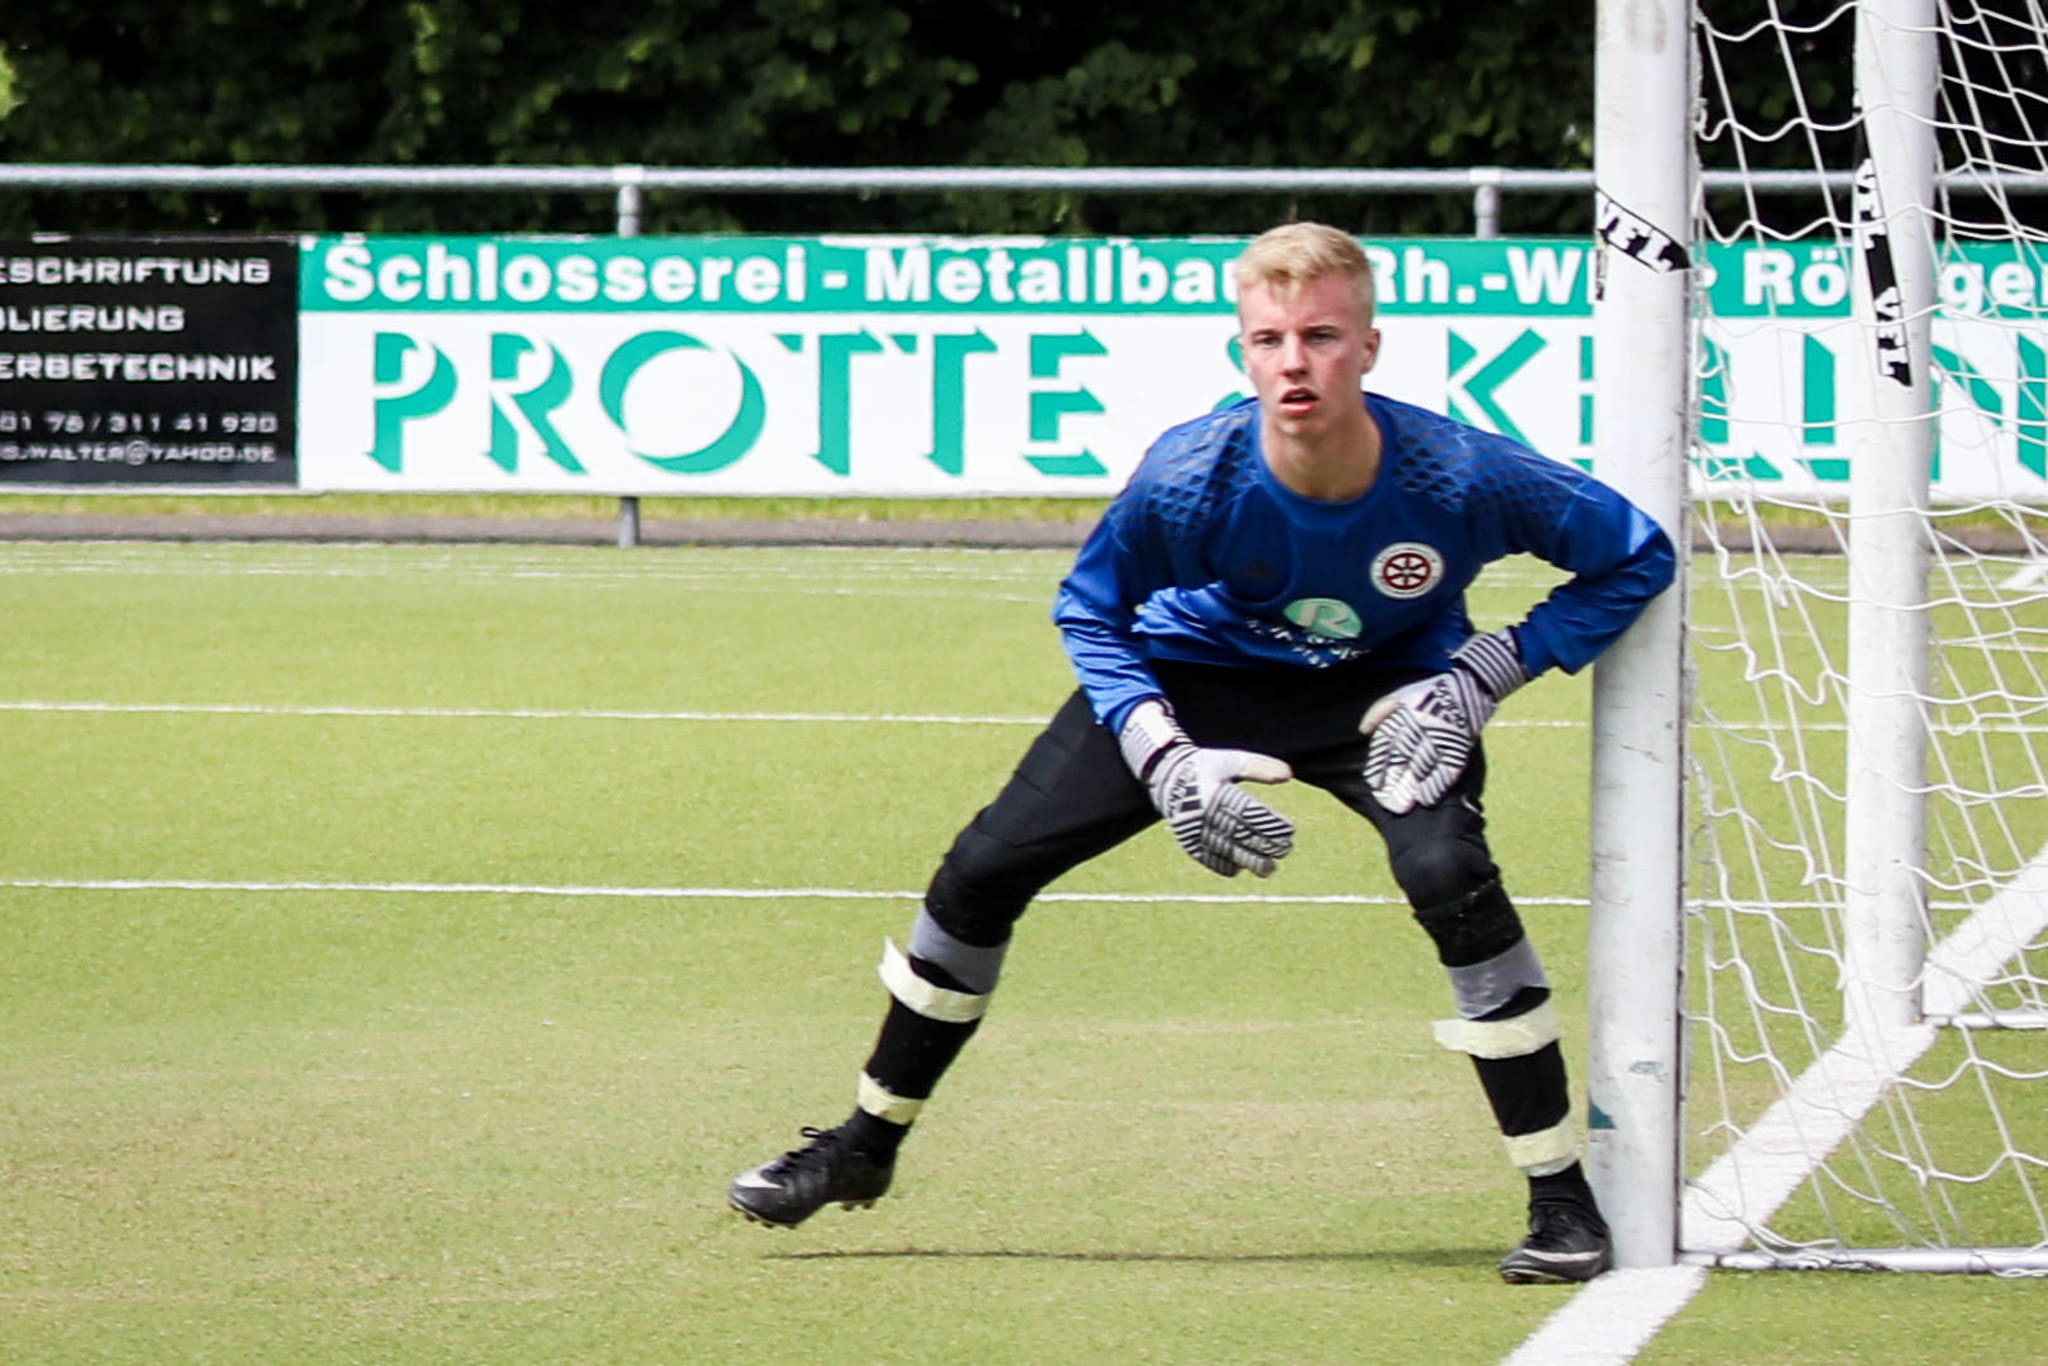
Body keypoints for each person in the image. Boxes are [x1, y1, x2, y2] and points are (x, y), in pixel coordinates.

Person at [727, 221, 1676, 1284]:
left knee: (1449, 877)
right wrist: (1164, 756)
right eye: (1269, 339)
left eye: (1320, 336)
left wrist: (1481, 674)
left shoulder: (1460, 471)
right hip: (1192, 675)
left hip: (1387, 689)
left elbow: (1634, 554)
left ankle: (1560, 1201)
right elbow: (1090, 611)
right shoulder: (1188, 475)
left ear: (1368, 347)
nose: (1294, 362)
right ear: (1242, 353)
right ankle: (864, 1145)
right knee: (983, 870)